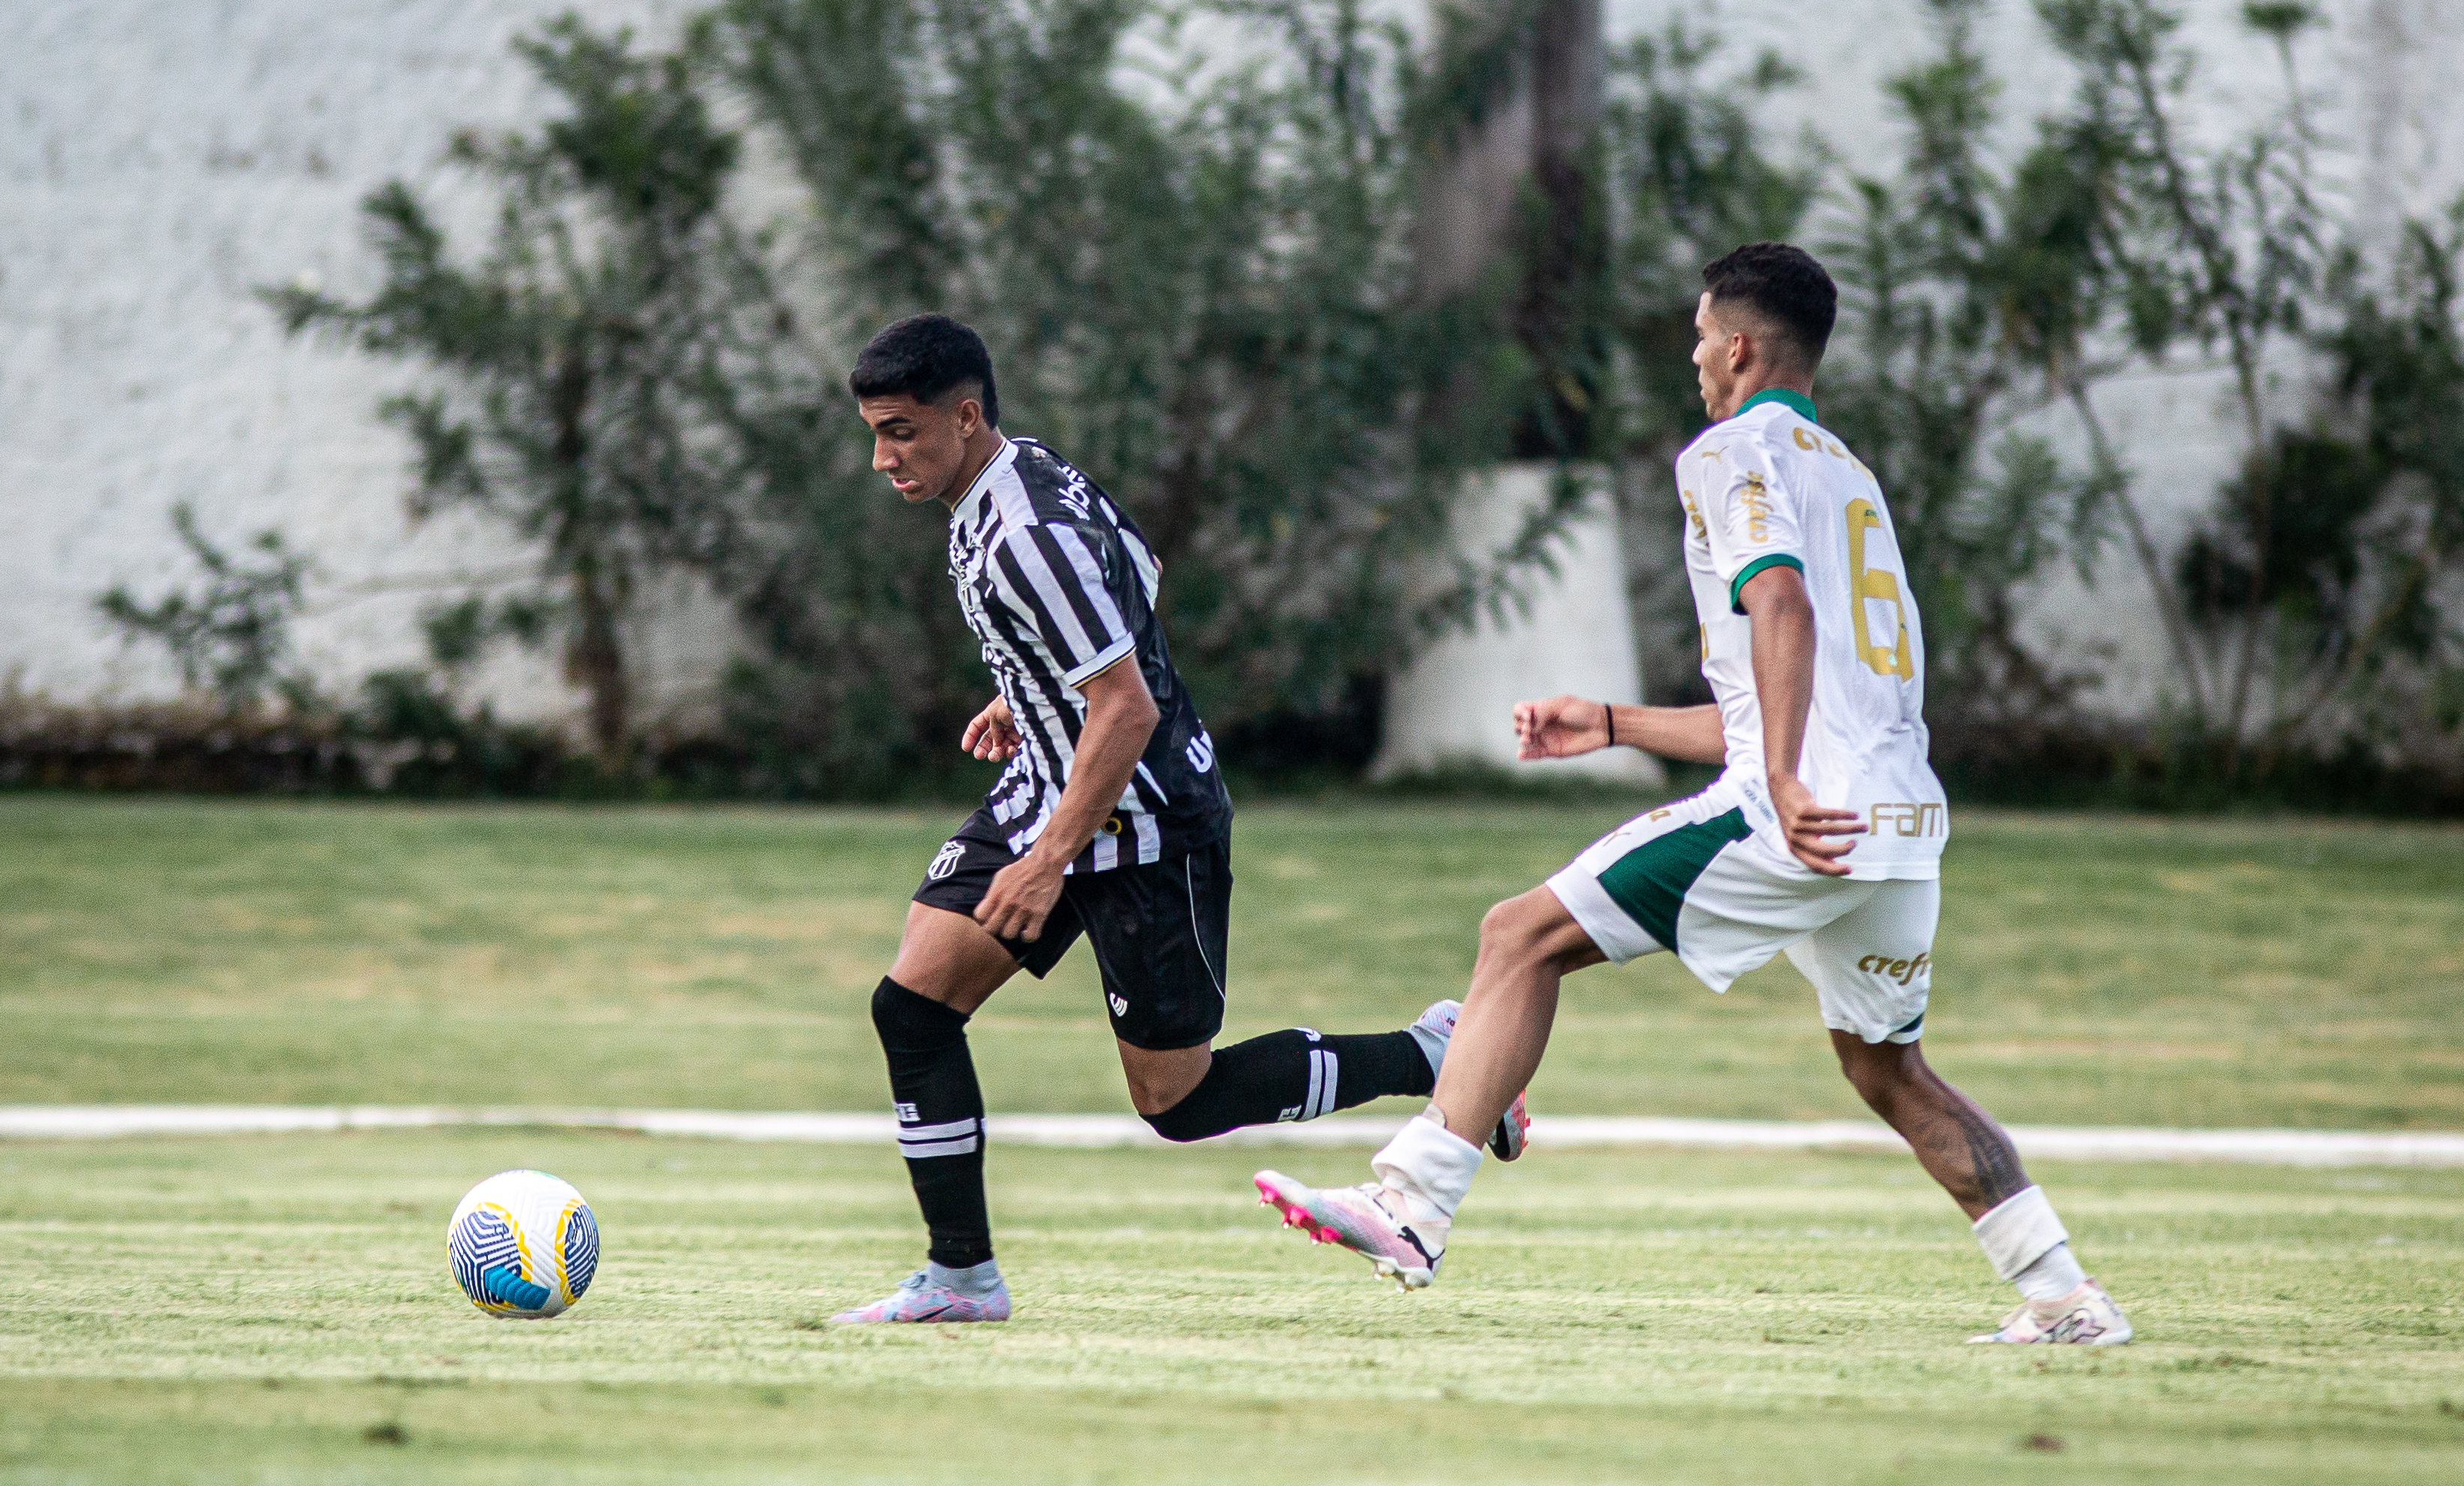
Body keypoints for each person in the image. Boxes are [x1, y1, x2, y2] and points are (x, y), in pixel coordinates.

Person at [1254, 244, 2131, 1346]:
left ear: (1740, 345)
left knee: (1518, 935)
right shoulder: (1847, 475)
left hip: (1800, 812)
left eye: (1698, 334)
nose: (1692, 355)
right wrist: (1615, 724)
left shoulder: (1729, 452)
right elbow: (1793, 689)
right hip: (1899, 820)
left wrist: (1774, 782)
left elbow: (1783, 614)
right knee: (1888, 1068)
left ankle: (1413, 1203)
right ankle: (2063, 1296)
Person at [832, 314, 1523, 1324]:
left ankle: (1439, 1054)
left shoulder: (1023, 529)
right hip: (1060, 784)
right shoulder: (1016, 472)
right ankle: (960, 1278)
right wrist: (1030, 686)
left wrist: (1045, 860)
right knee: (914, 1007)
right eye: (874, 432)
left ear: (966, 415)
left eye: (900, 431)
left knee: (1180, 1101)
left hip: (1145, 823)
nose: (883, 456)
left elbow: (1127, 705)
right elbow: (1137, 579)